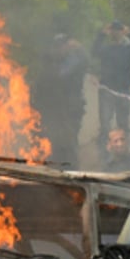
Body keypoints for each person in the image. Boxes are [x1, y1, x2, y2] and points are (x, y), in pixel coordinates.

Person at [31, 33, 89, 166]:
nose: (59, 49)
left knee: (70, 140)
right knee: (53, 141)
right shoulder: (54, 62)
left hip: (72, 108)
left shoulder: (75, 60)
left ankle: (73, 169)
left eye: (63, 45)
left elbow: (63, 75)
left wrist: (80, 49)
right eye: (57, 46)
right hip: (54, 109)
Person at [91, 20, 130, 137]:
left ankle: (123, 150)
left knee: (123, 124)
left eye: (118, 31)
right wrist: (102, 34)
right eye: (113, 31)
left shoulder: (127, 49)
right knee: (105, 124)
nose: (116, 33)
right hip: (107, 90)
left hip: (123, 90)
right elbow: (94, 51)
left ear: (122, 33)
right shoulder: (105, 50)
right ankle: (105, 150)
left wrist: (129, 34)